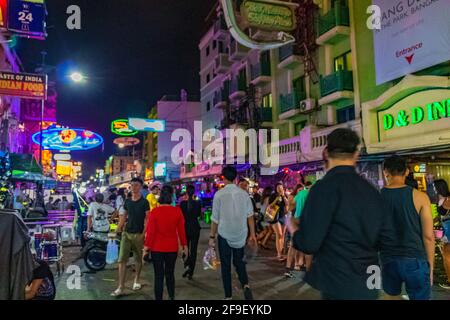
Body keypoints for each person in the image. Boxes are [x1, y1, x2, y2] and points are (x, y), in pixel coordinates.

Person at [290, 128, 386, 300]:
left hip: (338, 283)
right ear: (356, 153)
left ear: (325, 153)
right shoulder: (371, 190)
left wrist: (292, 228)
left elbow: (309, 243)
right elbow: (382, 238)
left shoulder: (323, 189)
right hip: (369, 282)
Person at [379, 156, 434, 300]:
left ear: (385, 172)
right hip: (415, 259)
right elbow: (428, 237)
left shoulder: (375, 197)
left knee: (391, 297)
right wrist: (430, 267)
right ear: (407, 171)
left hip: (388, 259)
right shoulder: (421, 197)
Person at [209, 166, 257, 300]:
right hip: (240, 234)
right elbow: (250, 216)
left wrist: (212, 237)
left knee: (225, 266)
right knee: (239, 262)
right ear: (235, 178)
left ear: (223, 177)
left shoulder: (219, 194)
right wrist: (252, 235)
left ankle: (228, 296)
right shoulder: (244, 194)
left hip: (224, 234)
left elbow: (215, 219)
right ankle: (245, 285)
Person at [144, 185, 187, 300]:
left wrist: (146, 249)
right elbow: (182, 231)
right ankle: (171, 296)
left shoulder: (155, 212)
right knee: (170, 273)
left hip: (156, 248)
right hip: (172, 248)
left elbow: (150, 232)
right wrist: (184, 246)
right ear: (172, 196)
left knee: (158, 276)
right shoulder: (177, 211)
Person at [112, 177, 150, 297]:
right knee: (122, 260)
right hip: (126, 234)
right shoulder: (127, 201)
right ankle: (121, 286)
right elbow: (123, 217)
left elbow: (148, 220)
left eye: (137, 185)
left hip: (138, 234)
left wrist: (143, 234)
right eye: (132, 185)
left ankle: (137, 280)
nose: (134, 187)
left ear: (140, 187)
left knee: (138, 259)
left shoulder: (145, 202)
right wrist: (117, 230)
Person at [180, 185, 202, 280]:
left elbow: (181, 217)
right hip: (195, 228)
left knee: (186, 249)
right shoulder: (198, 203)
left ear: (186, 193)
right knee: (194, 250)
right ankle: (191, 271)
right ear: (194, 193)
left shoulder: (182, 204)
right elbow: (198, 215)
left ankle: (187, 265)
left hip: (185, 228)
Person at [284, 183, 304, 278]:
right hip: (293, 224)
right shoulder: (293, 198)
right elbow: (289, 210)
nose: (301, 192)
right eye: (300, 190)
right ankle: (288, 268)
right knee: (293, 246)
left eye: (303, 190)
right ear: (296, 190)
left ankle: (297, 264)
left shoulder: (302, 199)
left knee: (297, 246)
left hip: (299, 223)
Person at [435, 179, 450, 289]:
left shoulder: (447, 200)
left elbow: (443, 213)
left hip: (448, 232)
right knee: (445, 256)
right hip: (445, 231)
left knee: (447, 257)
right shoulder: (441, 199)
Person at [268, 183, 289, 261]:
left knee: (282, 235)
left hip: (283, 216)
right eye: (278, 187)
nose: (280, 189)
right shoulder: (273, 195)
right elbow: (270, 206)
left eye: (281, 187)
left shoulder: (285, 195)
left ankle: (281, 253)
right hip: (275, 217)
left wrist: (283, 196)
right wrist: (277, 198)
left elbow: (287, 204)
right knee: (279, 234)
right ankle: (279, 254)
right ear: (276, 189)